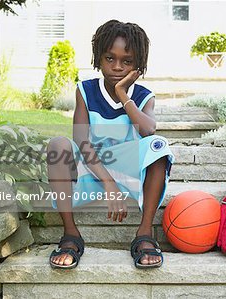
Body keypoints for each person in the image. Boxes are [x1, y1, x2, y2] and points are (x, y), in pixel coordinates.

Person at [47, 20, 174, 269]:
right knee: (58, 145)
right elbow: (81, 142)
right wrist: (108, 183)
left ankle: (145, 233)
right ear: (98, 58)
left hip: (128, 174)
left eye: (127, 61)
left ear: (139, 64)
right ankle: (71, 235)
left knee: (158, 146)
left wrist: (123, 93)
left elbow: (148, 130)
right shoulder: (85, 90)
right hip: (92, 170)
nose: (117, 66)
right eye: (109, 58)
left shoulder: (143, 96)